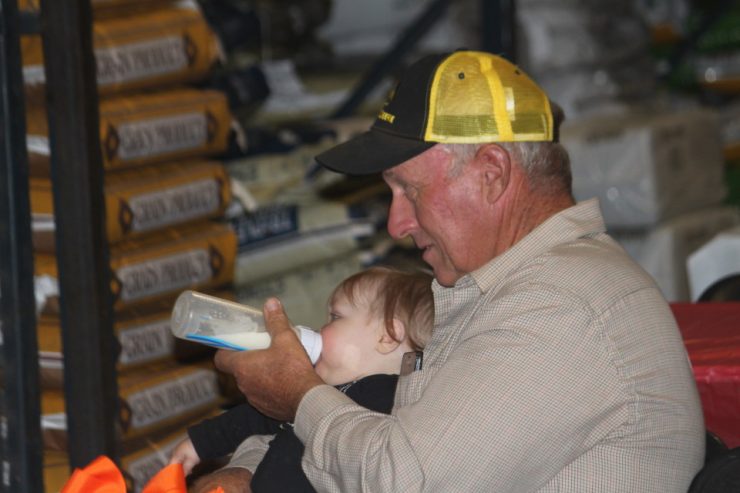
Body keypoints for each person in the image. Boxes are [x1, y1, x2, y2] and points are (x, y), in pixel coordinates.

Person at [197, 50, 705, 492]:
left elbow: (406, 482)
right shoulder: (503, 290)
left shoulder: (560, 304)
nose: (397, 223)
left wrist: (299, 397)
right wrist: (249, 470)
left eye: (410, 191)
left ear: (492, 174)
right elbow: (371, 416)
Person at [174, 266, 433, 491]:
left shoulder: (387, 401)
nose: (320, 329)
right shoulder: (330, 391)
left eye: (335, 317)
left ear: (388, 336)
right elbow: (261, 415)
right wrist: (202, 442)